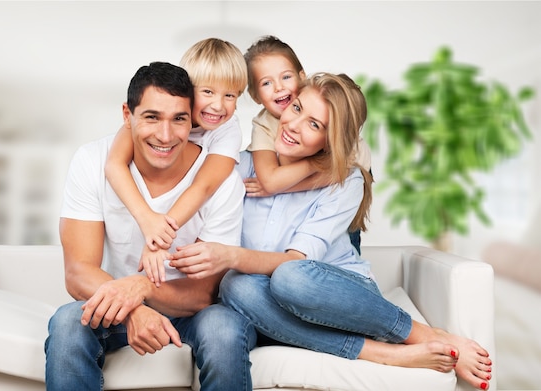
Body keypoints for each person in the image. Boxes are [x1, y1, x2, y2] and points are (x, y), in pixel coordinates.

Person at [170, 72, 493, 391]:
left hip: (335, 297)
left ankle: (427, 335)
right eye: (296, 108)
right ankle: (382, 354)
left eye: (315, 125)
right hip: (265, 306)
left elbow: (294, 261)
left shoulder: (344, 181)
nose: (294, 125)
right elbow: (179, 150)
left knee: (290, 276)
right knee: (235, 287)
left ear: (331, 139)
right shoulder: (239, 166)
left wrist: (231, 255)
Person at [44, 61, 256, 391]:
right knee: (69, 322)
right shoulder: (92, 160)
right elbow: (78, 271)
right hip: (116, 303)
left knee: (224, 328)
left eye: (179, 119)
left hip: (190, 312)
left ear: (193, 119)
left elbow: (204, 293)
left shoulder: (222, 181)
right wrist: (133, 310)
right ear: (127, 116)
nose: (165, 135)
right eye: (152, 117)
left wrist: (143, 288)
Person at [104, 38, 247, 286]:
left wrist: (159, 239)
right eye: (208, 92)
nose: (218, 105)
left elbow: (203, 186)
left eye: (230, 95)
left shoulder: (228, 130)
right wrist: (147, 220)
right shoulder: (154, 112)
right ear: (188, 91)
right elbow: (114, 165)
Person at [243, 35, 371, 253]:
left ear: (302, 78)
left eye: (286, 77)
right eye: (266, 83)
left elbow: (346, 174)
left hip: (338, 202)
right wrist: (317, 164)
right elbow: (271, 181)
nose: (279, 88)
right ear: (255, 96)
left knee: (344, 240)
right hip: (299, 201)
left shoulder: (338, 125)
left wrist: (315, 166)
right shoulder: (264, 124)